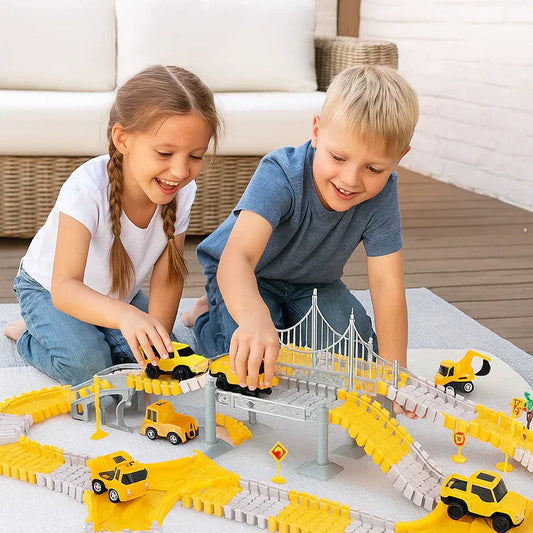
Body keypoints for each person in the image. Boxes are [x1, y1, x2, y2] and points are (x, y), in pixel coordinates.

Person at [184, 65, 419, 405]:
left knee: (353, 361)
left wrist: (396, 374)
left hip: (315, 282)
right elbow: (238, 259)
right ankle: (205, 316)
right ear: (317, 132)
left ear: (399, 158)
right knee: (251, 362)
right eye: (338, 157)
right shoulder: (281, 173)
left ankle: (272, 317)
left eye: (373, 168)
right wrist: (254, 319)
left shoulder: (383, 194)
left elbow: (387, 284)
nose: (350, 180)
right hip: (249, 275)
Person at [2, 65, 221, 386]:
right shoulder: (87, 190)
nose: (180, 171)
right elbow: (65, 288)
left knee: (157, 357)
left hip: (119, 294)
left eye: (195, 156)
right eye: (164, 153)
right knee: (88, 366)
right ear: (122, 139)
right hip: (50, 291)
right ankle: (26, 332)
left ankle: (91, 328)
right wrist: (126, 316)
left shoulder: (182, 191)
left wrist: (156, 350)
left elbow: (168, 277)